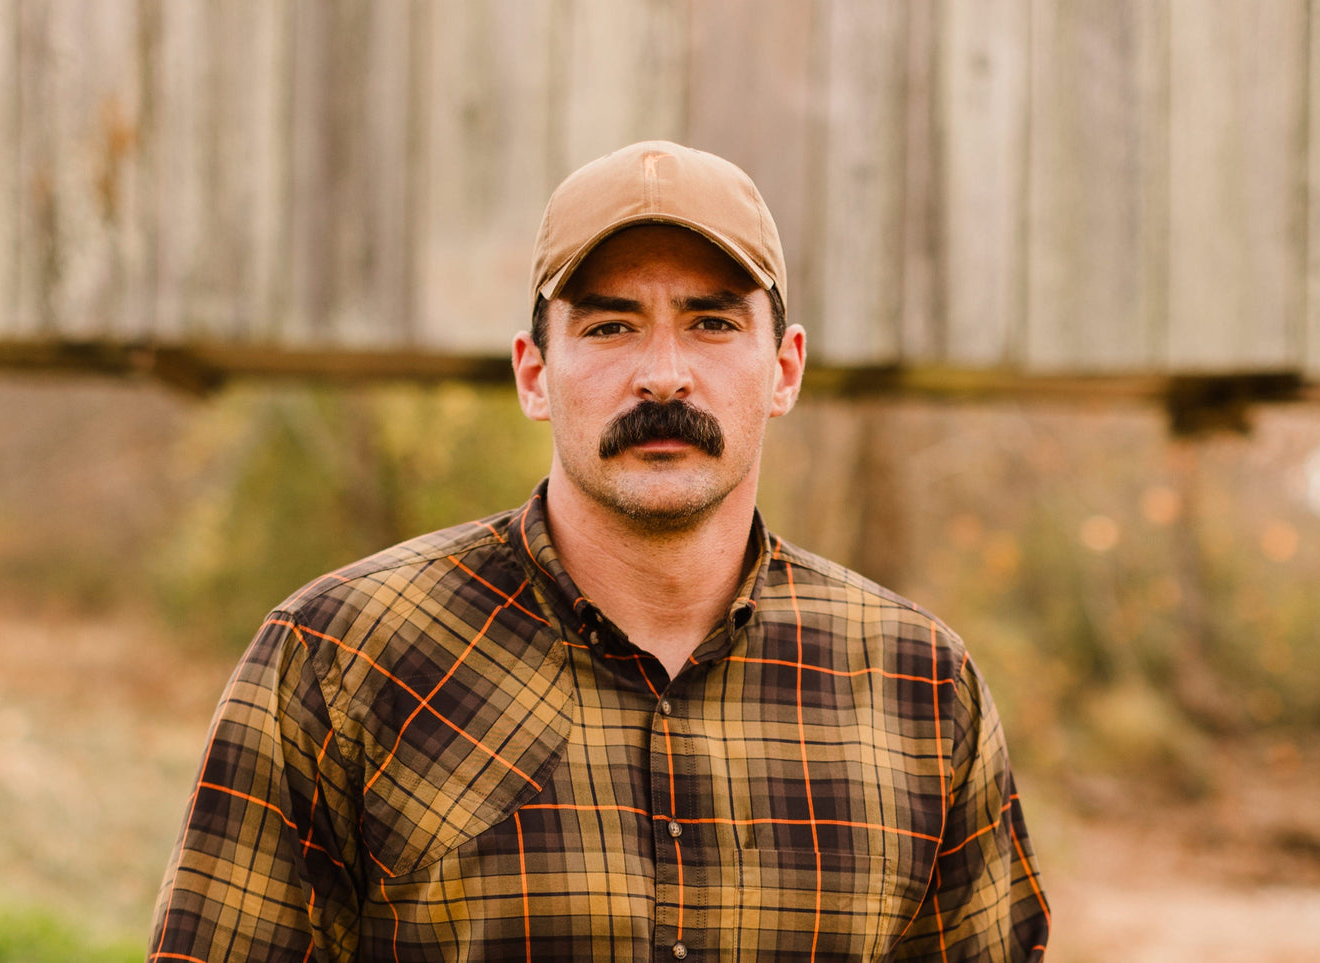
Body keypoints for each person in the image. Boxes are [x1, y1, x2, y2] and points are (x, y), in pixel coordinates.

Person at [148, 140, 1050, 962]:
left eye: (712, 323)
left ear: (784, 368)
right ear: (534, 372)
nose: (663, 372)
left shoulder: (920, 684)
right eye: (610, 326)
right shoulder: (339, 658)